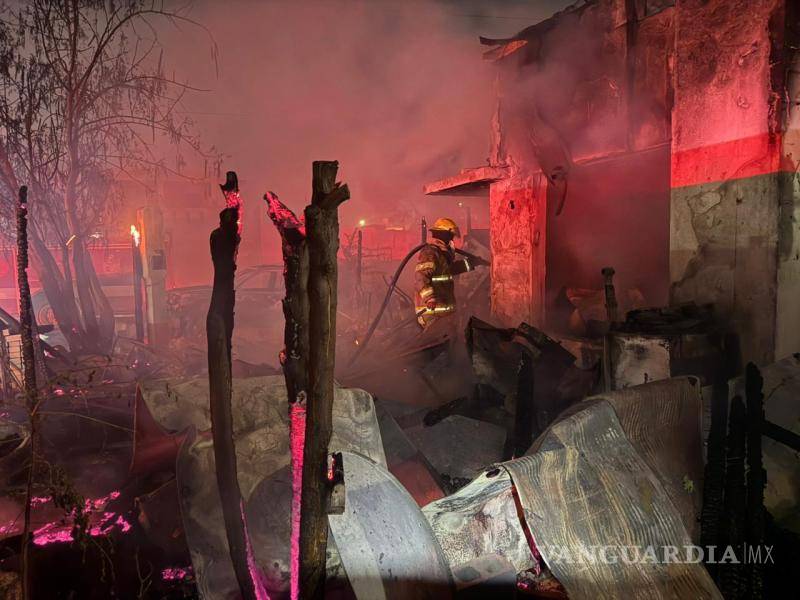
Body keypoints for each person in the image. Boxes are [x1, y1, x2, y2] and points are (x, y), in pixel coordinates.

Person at [413, 217, 489, 328]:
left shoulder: (441, 254)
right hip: (432, 313)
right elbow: (421, 276)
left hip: (442, 312)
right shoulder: (430, 253)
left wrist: (471, 263)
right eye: (450, 237)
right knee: (436, 343)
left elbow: (449, 270)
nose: (452, 240)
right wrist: (430, 298)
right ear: (444, 236)